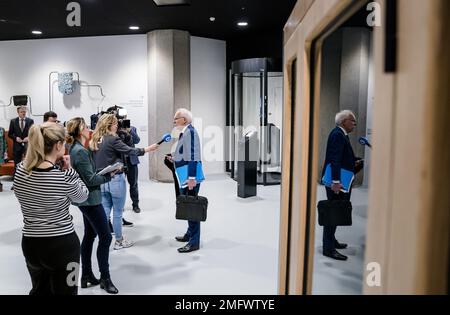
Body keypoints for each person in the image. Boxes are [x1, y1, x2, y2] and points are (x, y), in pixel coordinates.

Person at [13, 122, 88, 295]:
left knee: (39, 290)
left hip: (31, 243)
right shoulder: (63, 177)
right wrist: (69, 171)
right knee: (68, 292)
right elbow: (82, 196)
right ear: (58, 145)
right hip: (63, 246)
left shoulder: (20, 171)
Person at [90, 114, 159, 250]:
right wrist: (147, 149)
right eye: (115, 124)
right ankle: (119, 241)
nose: (117, 126)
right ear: (110, 125)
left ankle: (105, 240)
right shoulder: (113, 139)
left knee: (105, 211)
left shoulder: (95, 140)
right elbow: (130, 151)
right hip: (115, 179)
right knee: (117, 213)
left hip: (101, 180)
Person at [66, 117, 118, 294]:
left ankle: (86, 274)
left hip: (86, 200)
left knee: (89, 236)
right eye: (86, 127)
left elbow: (87, 174)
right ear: (80, 131)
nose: (89, 129)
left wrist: (101, 173)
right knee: (106, 237)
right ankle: (105, 278)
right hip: (91, 201)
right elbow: (90, 179)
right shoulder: (79, 151)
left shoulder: (77, 149)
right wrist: (109, 175)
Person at [321, 110, 364, 261]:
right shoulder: (337, 135)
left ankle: (331, 241)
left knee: (336, 211)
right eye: (352, 121)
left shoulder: (340, 134)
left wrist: (354, 160)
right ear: (344, 121)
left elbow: (342, 157)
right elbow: (335, 159)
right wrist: (336, 182)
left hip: (340, 180)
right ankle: (328, 248)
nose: (355, 124)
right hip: (336, 182)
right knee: (332, 213)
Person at [169, 108, 203, 253]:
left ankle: (194, 242)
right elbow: (185, 153)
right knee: (188, 205)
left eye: (176, 118)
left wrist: (191, 178)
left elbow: (194, 156)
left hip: (190, 177)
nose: (174, 121)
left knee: (192, 208)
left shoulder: (191, 132)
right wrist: (175, 158)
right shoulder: (185, 132)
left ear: (184, 119)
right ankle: (190, 234)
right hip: (184, 174)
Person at [8, 106, 34, 180]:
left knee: (29, 162)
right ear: (18, 112)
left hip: (27, 145)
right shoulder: (13, 121)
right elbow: (10, 134)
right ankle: (16, 179)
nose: (23, 113)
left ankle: (28, 179)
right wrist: (16, 138)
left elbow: (33, 133)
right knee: (17, 163)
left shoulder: (30, 121)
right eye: (22, 112)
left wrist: (29, 137)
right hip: (17, 145)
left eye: (24, 112)